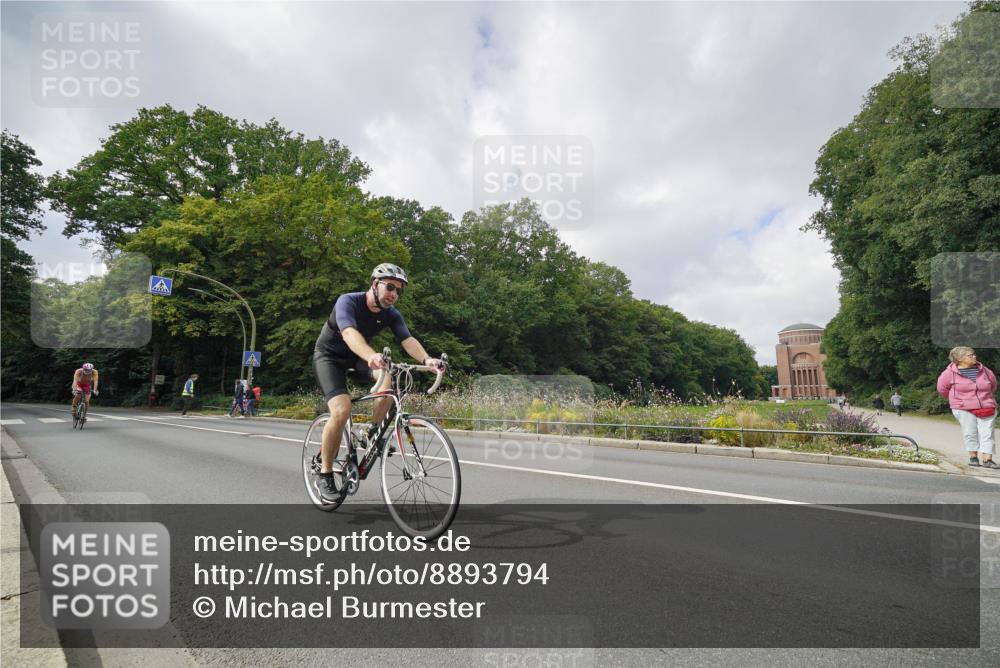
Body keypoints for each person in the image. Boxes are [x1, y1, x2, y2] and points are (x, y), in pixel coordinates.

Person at [312, 263, 444, 501]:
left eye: (399, 290)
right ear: (375, 284)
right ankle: (325, 473)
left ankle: (373, 432)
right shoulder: (348, 301)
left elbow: (407, 339)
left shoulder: (391, 313)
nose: (394, 294)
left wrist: (427, 360)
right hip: (329, 358)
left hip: (358, 358)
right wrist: (371, 355)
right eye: (390, 287)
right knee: (341, 410)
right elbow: (349, 333)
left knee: (388, 376)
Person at [937, 347, 997, 469]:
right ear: (959, 359)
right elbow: (942, 389)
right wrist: (958, 400)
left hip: (986, 406)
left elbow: (993, 385)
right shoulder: (949, 373)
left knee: (988, 433)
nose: (974, 356)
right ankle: (973, 457)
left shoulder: (985, 370)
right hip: (963, 408)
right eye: (970, 355)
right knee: (970, 432)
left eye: (974, 354)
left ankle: (988, 460)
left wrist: (985, 398)